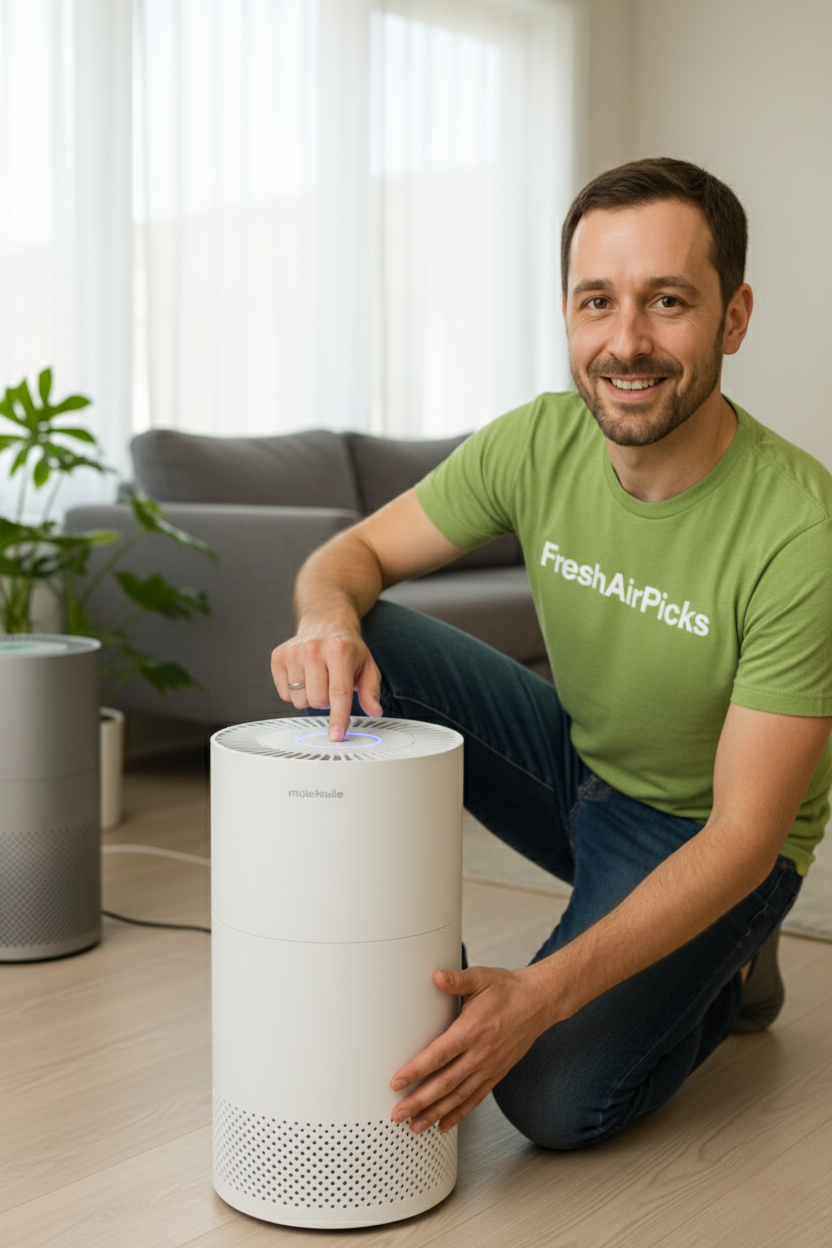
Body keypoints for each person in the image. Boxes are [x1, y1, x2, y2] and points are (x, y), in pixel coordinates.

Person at [270, 157, 832, 1150]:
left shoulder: (800, 531)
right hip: (574, 772)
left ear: (732, 319)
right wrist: (328, 621)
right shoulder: (535, 439)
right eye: (595, 302)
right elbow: (348, 557)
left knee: (549, 1103)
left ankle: (727, 964)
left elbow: (746, 834)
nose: (625, 343)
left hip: (705, 835)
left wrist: (538, 994)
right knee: (372, 639)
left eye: (667, 302)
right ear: (567, 314)